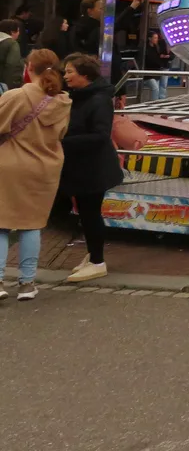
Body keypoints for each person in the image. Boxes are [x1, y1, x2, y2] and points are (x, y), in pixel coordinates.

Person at [0, 49, 71, 302]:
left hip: (9, 165)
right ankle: (27, 284)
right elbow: (60, 134)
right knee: (33, 225)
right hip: (45, 168)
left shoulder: (16, 96)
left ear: (29, 67)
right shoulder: (62, 101)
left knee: (2, 225)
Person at [60, 54, 124, 283]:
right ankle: (93, 255)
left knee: (90, 213)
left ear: (84, 75)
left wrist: (62, 142)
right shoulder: (79, 97)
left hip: (93, 167)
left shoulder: (97, 100)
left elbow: (100, 135)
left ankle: (98, 261)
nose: (65, 76)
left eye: (69, 72)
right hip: (82, 165)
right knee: (86, 214)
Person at [141, 30, 172, 102]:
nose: (156, 39)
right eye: (155, 38)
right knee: (155, 88)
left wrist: (165, 56)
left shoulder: (157, 48)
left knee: (157, 89)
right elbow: (150, 60)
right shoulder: (146, 48)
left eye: (157, 38)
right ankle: (154, 105)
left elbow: (167, 55)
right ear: (150, 38)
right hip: (148, 73)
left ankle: (156, 103)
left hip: (156, 71)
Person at [0, 18, 23, 91]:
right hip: (5, 85)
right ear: (12, 32)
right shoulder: (12, 43)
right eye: (18, 30)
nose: (19, 33)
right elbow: (12, 65)